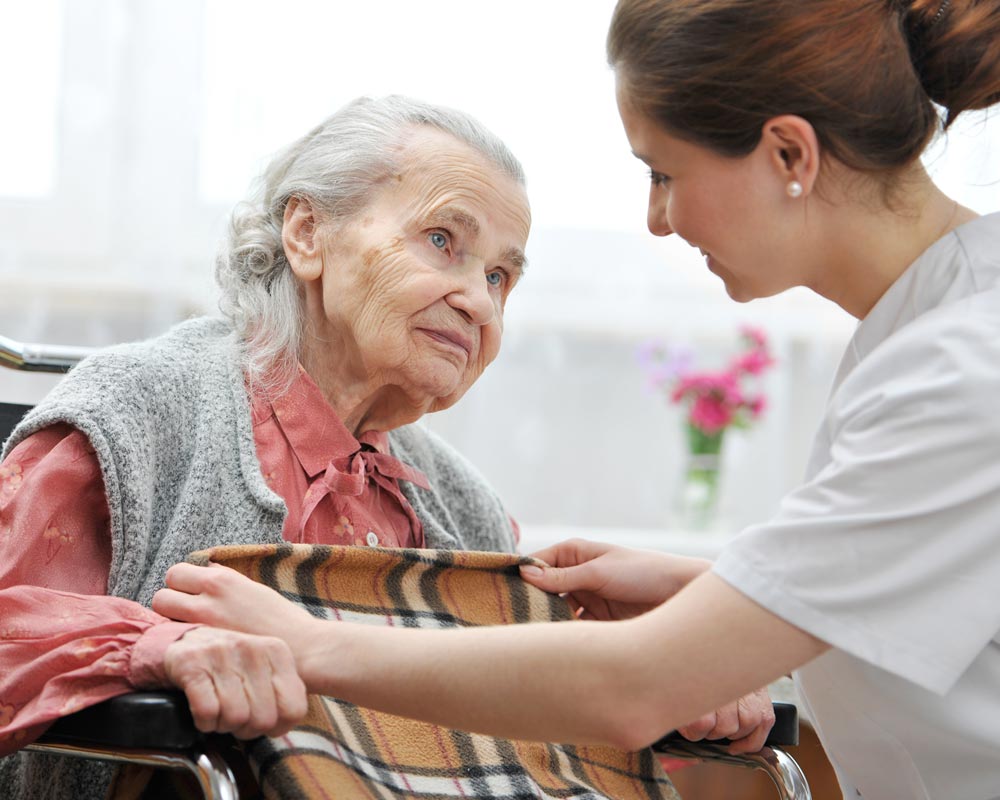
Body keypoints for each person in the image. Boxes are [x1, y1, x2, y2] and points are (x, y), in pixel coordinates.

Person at [152, 1, 1000, 798]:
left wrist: (306, 642)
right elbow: (914, 573)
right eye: (441, 241)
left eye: (664, 172)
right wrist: (711, 590)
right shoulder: (933, 333)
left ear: (789, 156)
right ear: (306, 233)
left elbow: (635, 685)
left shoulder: (960, 370)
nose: (657, 219)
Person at [0, 95, 533, 799]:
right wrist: (159, 647)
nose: (481, 303)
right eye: (441, 240)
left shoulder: (468, 510)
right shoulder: (136, 413)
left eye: (499, 277)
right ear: (307, 233)